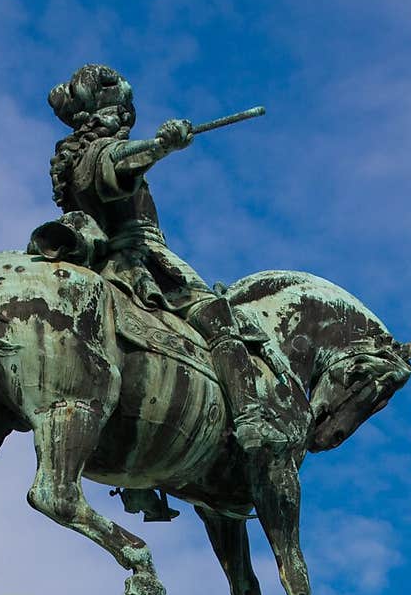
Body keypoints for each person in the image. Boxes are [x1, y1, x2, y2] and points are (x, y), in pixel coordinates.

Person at [34, 63, 296, 457]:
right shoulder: (98, 152)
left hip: (102, 264)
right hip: (142, 260)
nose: (125, 121)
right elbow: (120, 162)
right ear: (112, 116)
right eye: (123, 115)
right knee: (217, 315)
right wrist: (161, 146)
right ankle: (251, 417)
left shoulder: (73, 160)